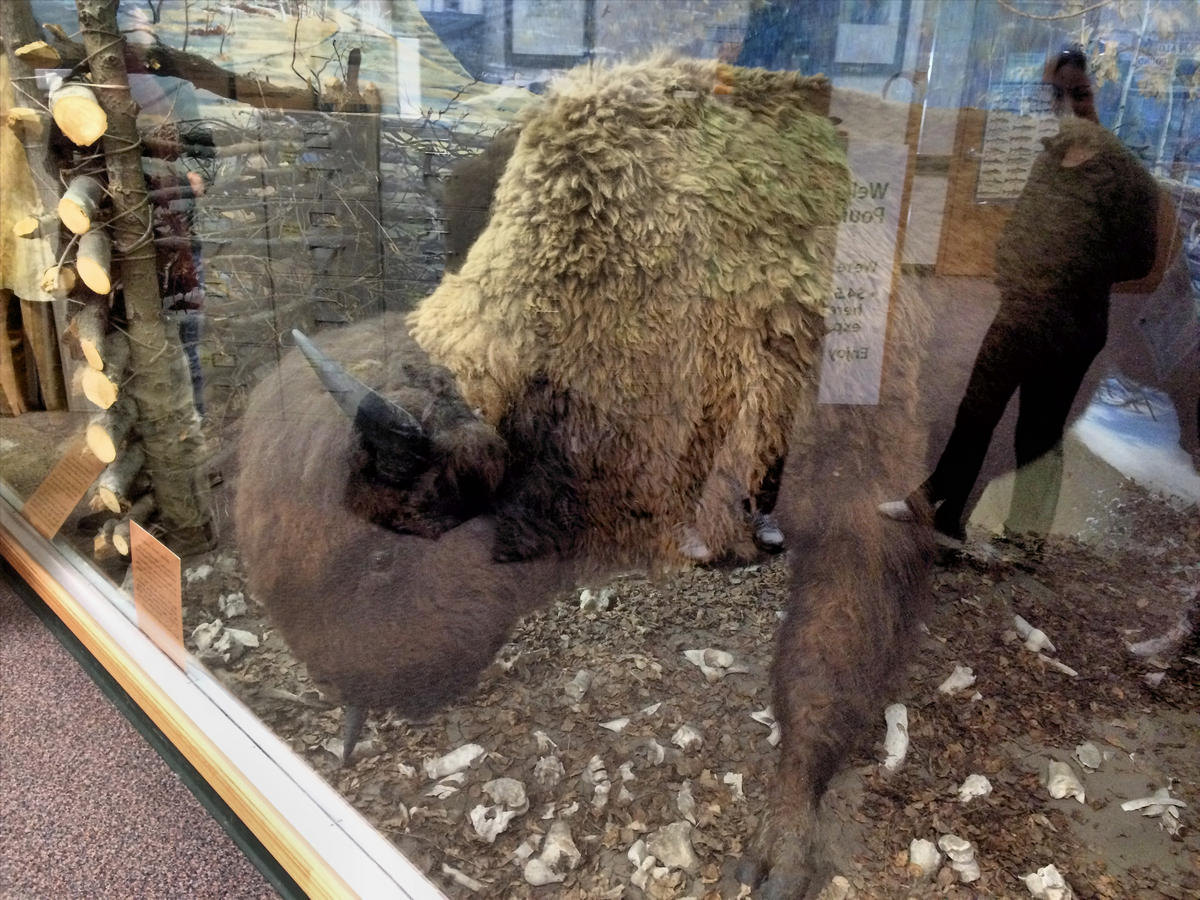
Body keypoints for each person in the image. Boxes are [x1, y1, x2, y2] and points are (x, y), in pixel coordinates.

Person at [878, 46, 1159, 547]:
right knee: (977, 409)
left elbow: (1139, 260)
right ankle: (940, 509)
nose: (1067, 104)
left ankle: (1025, 541)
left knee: (1040, 435)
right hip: (1021, 309)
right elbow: (1025, 225)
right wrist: (1013, 265)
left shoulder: (1125, 174)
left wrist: (1069, 270)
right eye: (1056, 93)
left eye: (1080, 93)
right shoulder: (1052, 157)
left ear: (1101, 96)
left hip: (1071, 325)